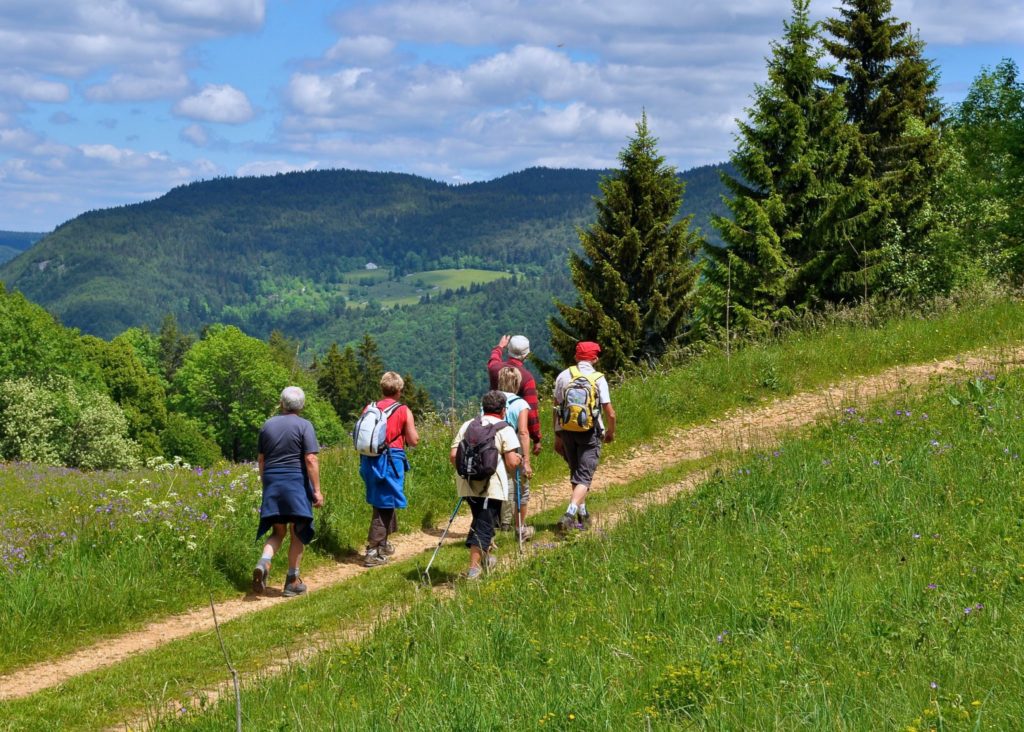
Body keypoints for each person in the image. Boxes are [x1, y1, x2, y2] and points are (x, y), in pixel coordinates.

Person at [253, 386, 323, 597]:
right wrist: (317, 491)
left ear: (281, 403)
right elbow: (310, 459)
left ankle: (264, 563)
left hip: (273, 483)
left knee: (278, 532)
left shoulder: (267, 425)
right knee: (297, 532)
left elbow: (261, 460)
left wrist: (266, 485)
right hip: (296, 485)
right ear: (302, 405)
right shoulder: (304, 425)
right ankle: (292, 581)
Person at [449, 390, 522, 579]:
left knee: (480, 520)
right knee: (484, 524)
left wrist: (469, 472)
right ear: (503, 410)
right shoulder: (504, 429)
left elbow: (453, 456)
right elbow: (512, 463)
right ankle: (474, 570)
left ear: (484, 407)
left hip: (467, 484)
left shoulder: (468, 425)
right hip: (492, 487)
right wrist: (519, 460)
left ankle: (487, 558)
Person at [553, 341, 616, 532]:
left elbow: (556, 408)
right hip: (590, 432)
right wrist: (611, 432)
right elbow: (610, 412)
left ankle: (583, 514)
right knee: (585, 476)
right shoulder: (598, 379)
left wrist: (557, 435)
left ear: (576, 357)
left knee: (576, 473)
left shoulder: (564, 376)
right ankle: (570, 514)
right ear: (595, 359)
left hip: (566, 431)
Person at [361, 371, 420, 568]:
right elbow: (413, 441)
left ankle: (383, 544)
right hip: (390, 459)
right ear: (399, 391)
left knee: (383, 500)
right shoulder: (403, 410)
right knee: (385, 503)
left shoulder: (370, 408)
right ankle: (373, 550)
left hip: (369, 460)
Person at [487, 334, 543, 458]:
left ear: (509, 350)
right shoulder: (527, 378)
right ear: (526, 355)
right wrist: (536, 438)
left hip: (490, 426)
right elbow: (531, 412)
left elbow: (493, 359)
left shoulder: (495, 369)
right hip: (514, 431)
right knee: (515, 466)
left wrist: (500, 347)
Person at [497, 366, 535, 541]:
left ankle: (502, 523)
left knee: (500, 485)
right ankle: (520, 528)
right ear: (517, 383)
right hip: (514, 449)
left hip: (495, 450)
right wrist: (526, 460)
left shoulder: (491, 401)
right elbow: (523, 432)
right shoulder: (520, 404)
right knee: (521, 487)